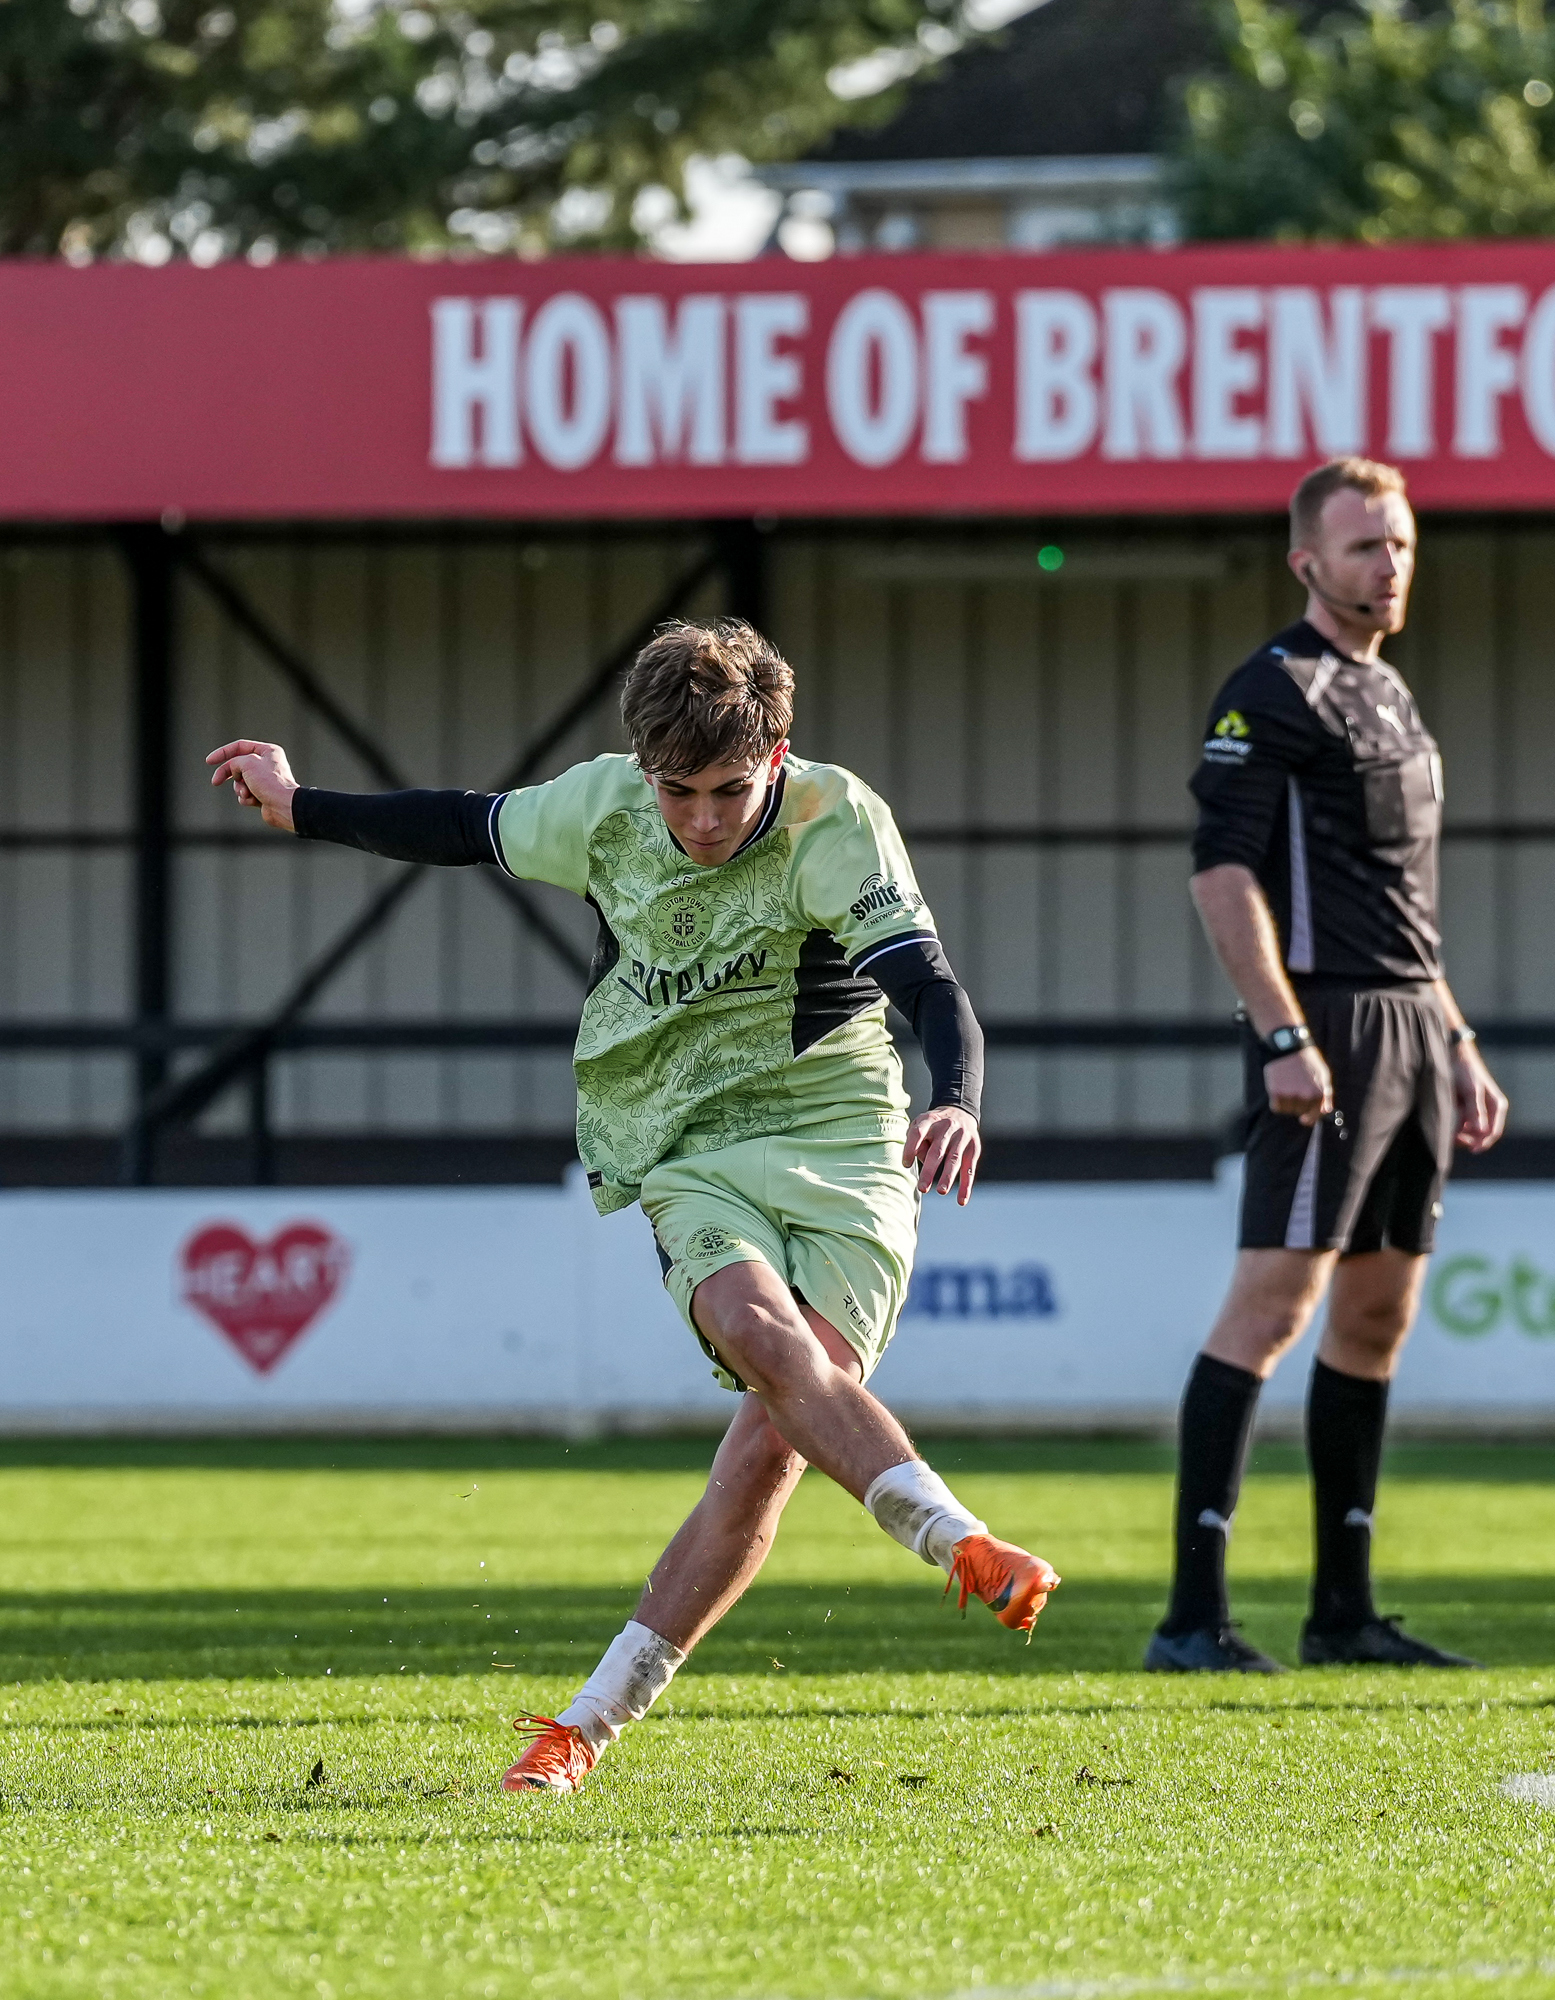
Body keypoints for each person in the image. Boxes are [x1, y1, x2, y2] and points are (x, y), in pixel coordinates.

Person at [204, 619, 1060, 1791]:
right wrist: (302, 804)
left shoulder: (831, 818)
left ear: (779, 753)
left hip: (844, 1141)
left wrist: (957, 1097)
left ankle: (585, 1725)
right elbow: (459, 822)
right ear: (643, 771)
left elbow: (929, 983)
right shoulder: (605, 808)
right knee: (761, 1339)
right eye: (679, 792)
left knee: (768, 1445)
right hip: (682, 1139)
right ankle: (952, 1535)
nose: (702, 820)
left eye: (728, 790)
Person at [1149, 457, 1509, 1675]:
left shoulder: (1392, 696)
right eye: (1363, 547)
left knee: (1377, 1315)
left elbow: (1409, 908)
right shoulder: (1272, 689)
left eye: (1400, 542)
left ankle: (1342, 1612)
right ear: (1307, 561)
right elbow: (1222, 873)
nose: (1388, 564)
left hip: (1414, 1027)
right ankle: (1193, 1616)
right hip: (1334, 1030)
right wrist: (1283, 1033)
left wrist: (1457, 1041)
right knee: (1273, 1304)